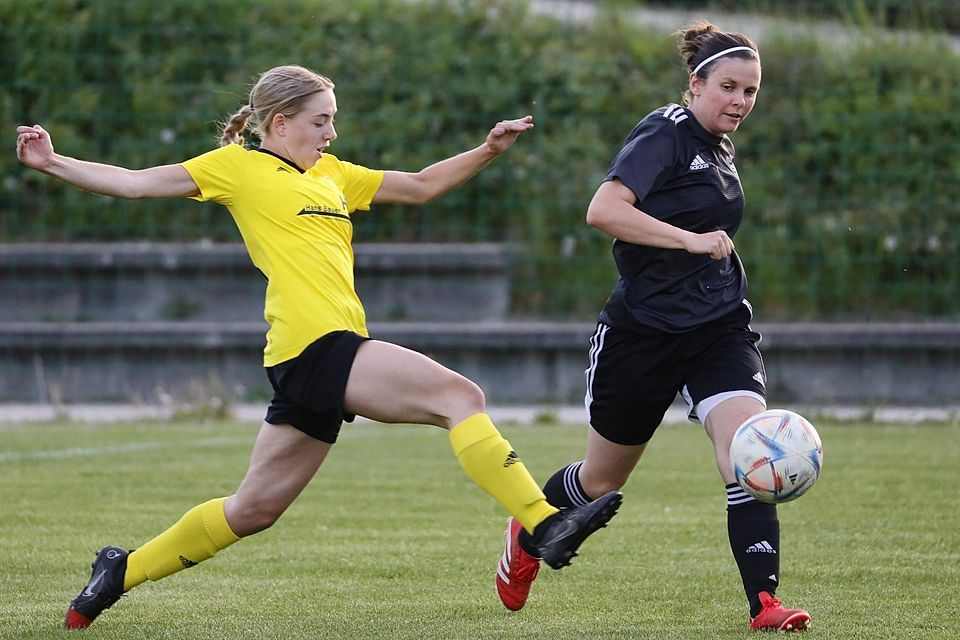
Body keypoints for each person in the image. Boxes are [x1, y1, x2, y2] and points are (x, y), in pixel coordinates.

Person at [15, 64, 623, 630]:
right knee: (460, 396)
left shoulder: (332, 175)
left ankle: (120, 572)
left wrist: (488, 150)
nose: (331, 132)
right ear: (279, 123)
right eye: (320, 120)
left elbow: (417, 186)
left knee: (252, 511)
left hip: (322, 354)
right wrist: (52, 163)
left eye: (332, 119)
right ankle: (542, 525)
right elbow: (137, 183)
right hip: (312, 345)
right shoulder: (237, 167)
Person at [493, 24, 811, 632]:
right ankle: (526, 527)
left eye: (751, 91)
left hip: (718, 328)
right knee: (602, 481)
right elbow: (604, 210)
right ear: (696, 83)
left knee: (748, 452)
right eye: (728, 88)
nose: (740, 101)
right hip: (642, 332)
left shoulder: (720, 147)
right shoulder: (664, 132)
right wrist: (690, 241)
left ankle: (765, 605)